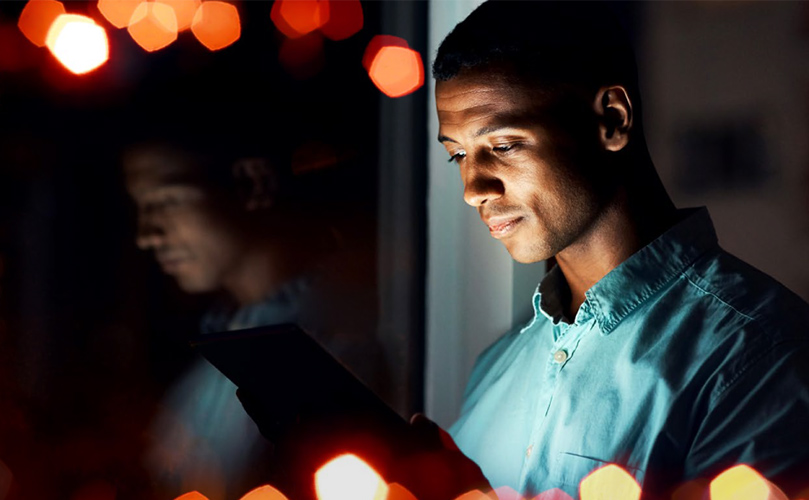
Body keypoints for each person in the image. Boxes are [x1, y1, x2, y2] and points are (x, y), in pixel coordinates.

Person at [428, 1, 809, 498]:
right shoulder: (494, 368)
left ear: (611, 119)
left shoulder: (761, 358)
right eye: (457, 154)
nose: (472, 189)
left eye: (503, 146)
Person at [124, 138, 384, 499]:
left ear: (254, 182)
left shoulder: (341, 341)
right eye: (140, 207)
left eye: (167, 200)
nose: (146, 236)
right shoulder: (214, 361)